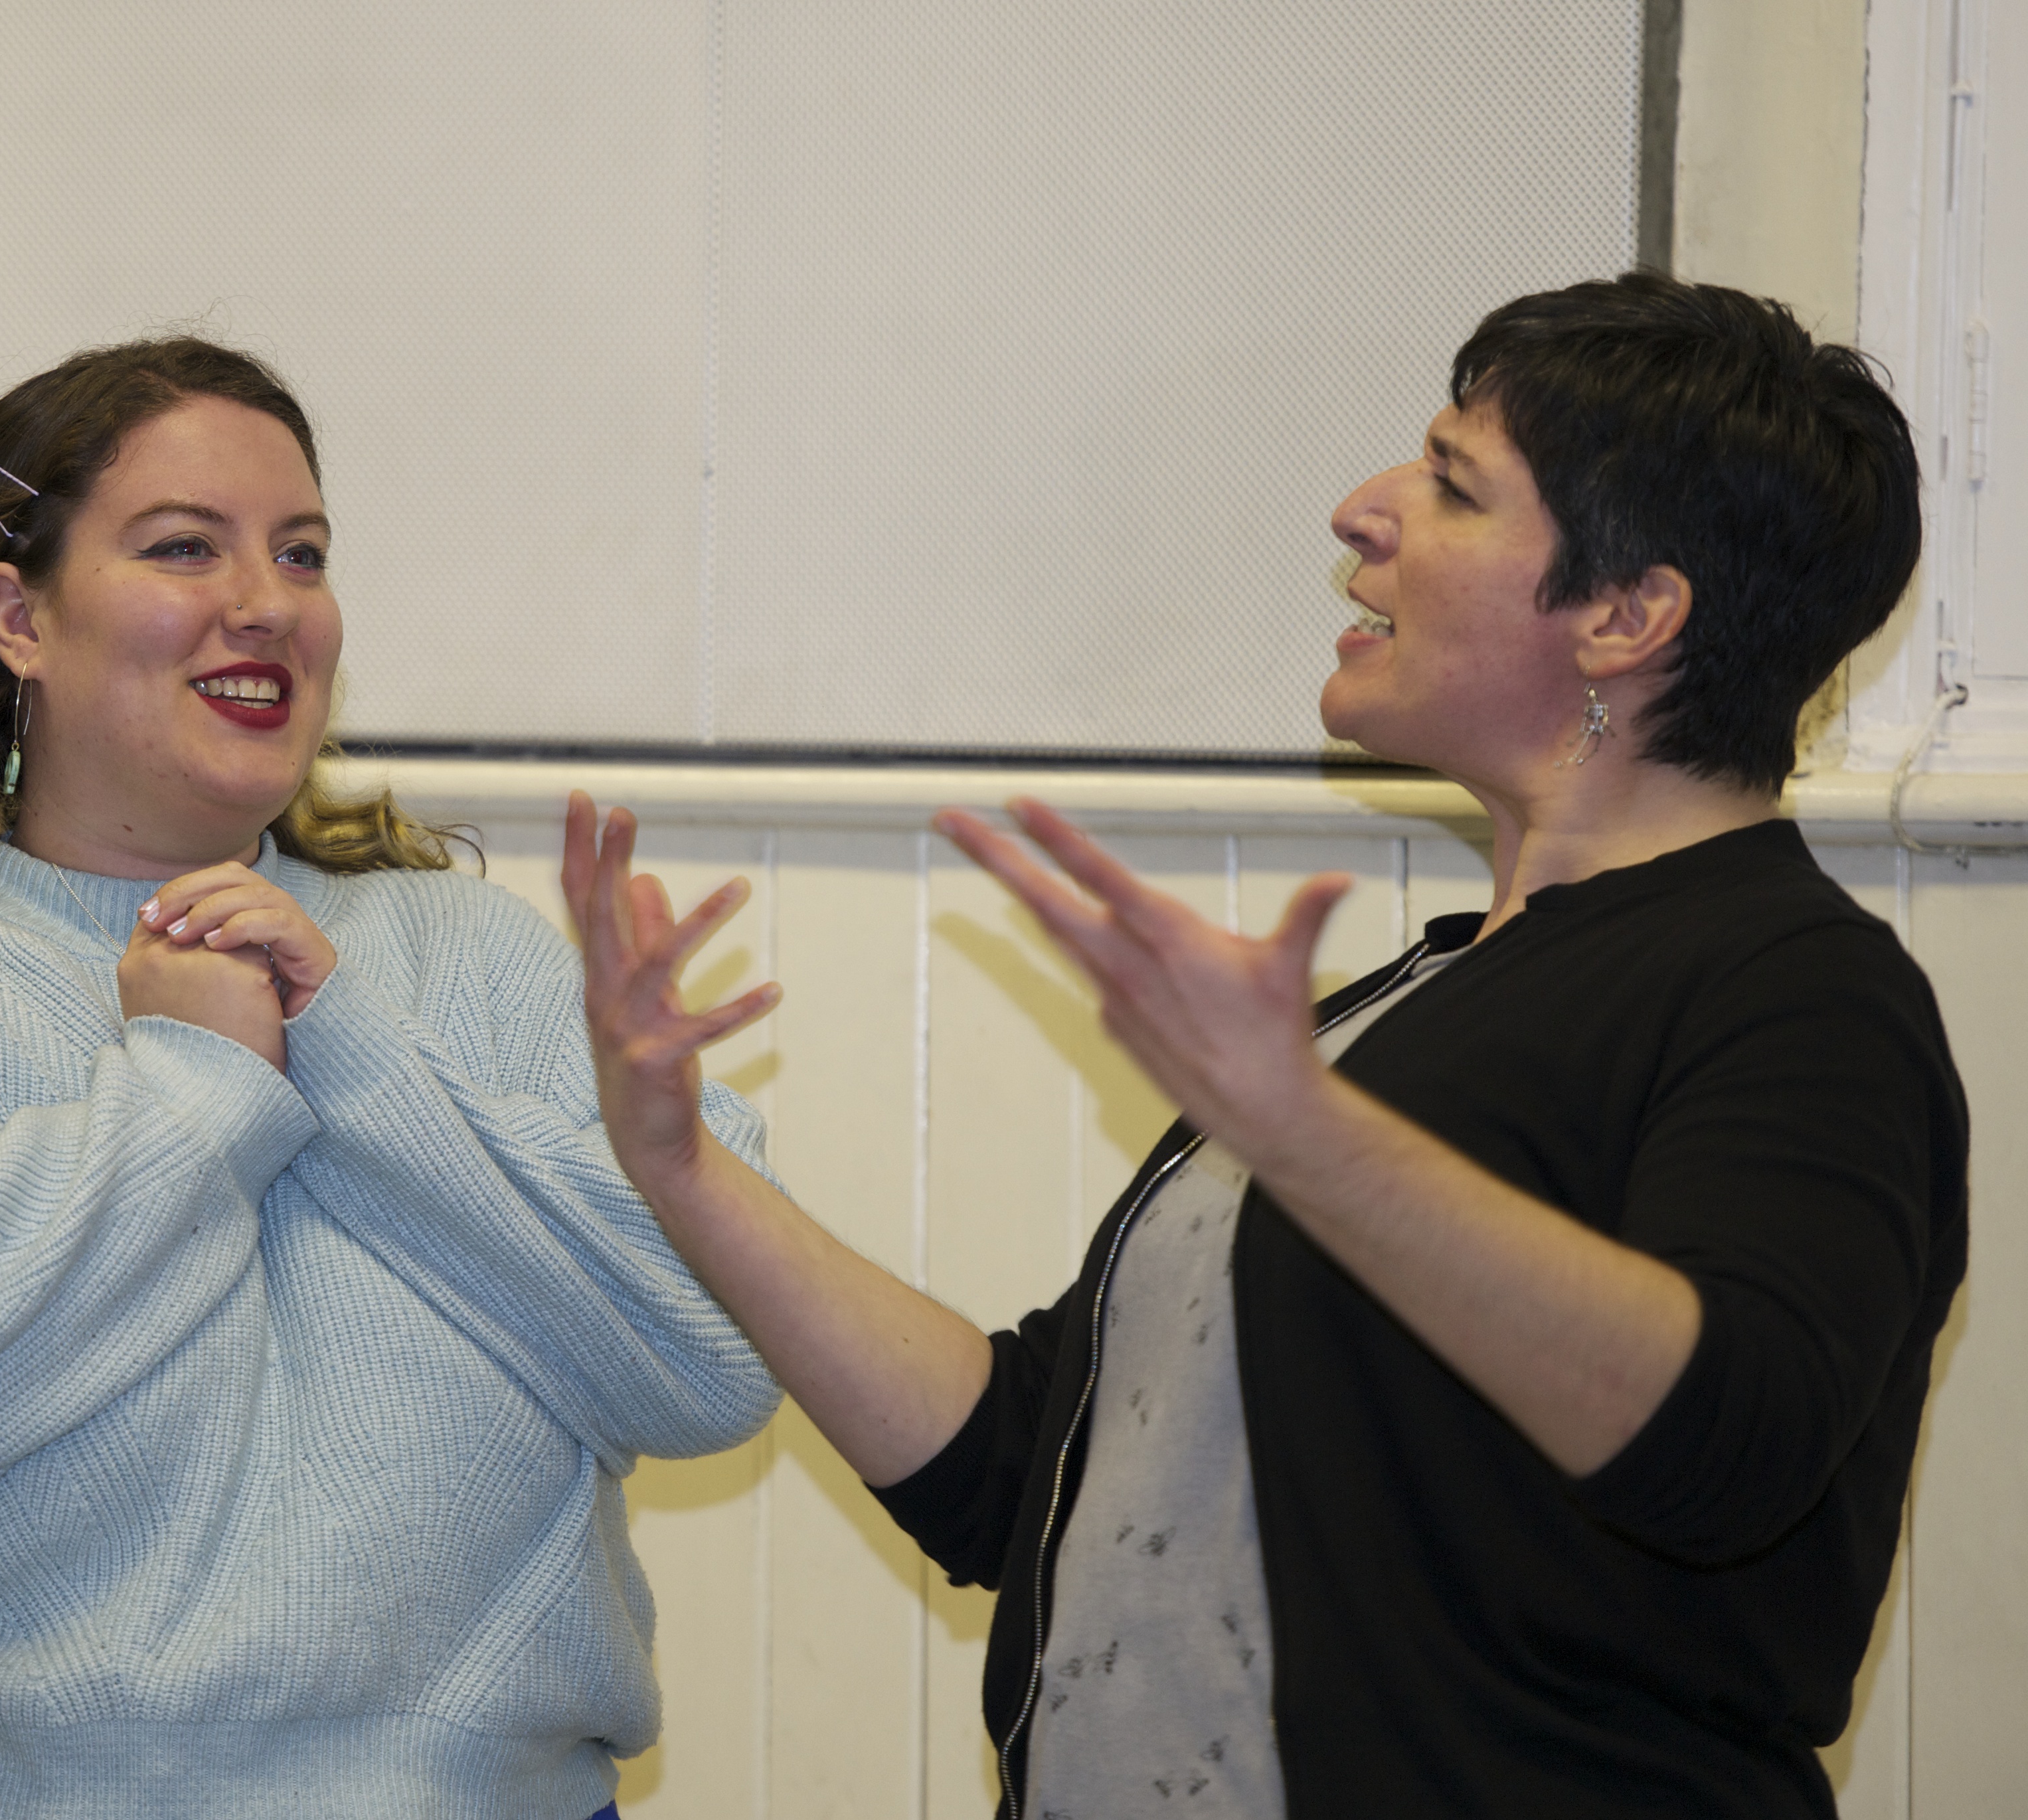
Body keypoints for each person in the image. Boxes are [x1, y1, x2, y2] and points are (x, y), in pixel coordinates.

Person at [558, 272, 1967, 1818]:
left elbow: (1726, 1446)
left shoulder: (1797, 989)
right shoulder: (1393, 1015)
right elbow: (1030, 1473)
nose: (1361, 510)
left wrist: (1303, 1131)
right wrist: (678, 1168)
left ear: (1624, 617)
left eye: (1450, 485)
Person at [0, 337, 779, 1820]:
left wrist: (348, 1050)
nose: (267, 602)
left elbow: (720, 1353)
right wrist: (193, 1092)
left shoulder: (484, 957)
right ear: (19, 618)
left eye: (301, 553)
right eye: (185, 546)